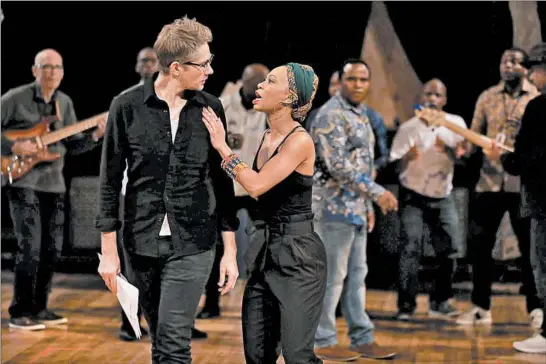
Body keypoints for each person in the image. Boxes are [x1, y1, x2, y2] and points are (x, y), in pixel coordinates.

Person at [95, 17, 239, 364]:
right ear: (176, 67)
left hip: (193, 243)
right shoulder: (126, 106)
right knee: (160, 343)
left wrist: (230, 250)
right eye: (203, 63)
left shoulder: (210, 106)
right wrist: (109, 253)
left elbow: (222, 182)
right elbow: (109, 181)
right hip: (141, 243)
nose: (210, 69)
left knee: (174, 344)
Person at [201, 62, 327, 364]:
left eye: (269, 81)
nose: (259, 86)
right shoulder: (268, 136)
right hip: (264, 252)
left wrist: (222, 148)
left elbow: (256, 186)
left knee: (297, 356)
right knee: (257, 354)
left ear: (288, 97)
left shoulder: (299, 141)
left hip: (299, 258)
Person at [1, 48, 106, 331]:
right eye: (46, 67)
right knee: (30, 247)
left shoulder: (64, 103)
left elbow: (71, 144)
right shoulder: (15, 97)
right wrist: (13, 146)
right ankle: (20, 311)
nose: (52, 72)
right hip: (23, 181)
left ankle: (40, 307)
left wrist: (96, 135)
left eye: (57, 67)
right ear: (34, 70)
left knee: (51, 249)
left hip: (54, 184)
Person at [310, 58, 398, 361]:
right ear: (340, 81)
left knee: (357, 277)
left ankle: (361, 337)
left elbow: (364, 164)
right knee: (332, 278)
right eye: (351, 79)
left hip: (356, 209)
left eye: (363, 79)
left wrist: (368, 204)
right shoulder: (330, 115)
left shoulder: (360, 115)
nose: (358, 85)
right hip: (332, 210)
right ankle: (322, 340)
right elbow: (338, 166)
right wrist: (377, 192)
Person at [457, 48, 542, 329]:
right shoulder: (486, 97)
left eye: (516, 62)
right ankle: (481, 307)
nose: (509, 66)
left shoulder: (536, 98)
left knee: (531, 249)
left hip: (522, 183)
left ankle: (537, 308)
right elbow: (474, 132)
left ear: (527, 69)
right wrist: (466, 148)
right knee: (481, 246)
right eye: (505, 61)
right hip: (489, 181)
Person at [389, 79, 466, 321]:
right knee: (410, 248)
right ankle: (406, 305)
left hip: (443, 195)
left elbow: (465, 161)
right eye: (428, 94)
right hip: (413, 195)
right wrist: (406, 158)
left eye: (437, 95)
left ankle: (440, 301)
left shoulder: (456, 124)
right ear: (421, 98)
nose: (432, 98)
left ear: (444, 100)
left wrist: (453, 152)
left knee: (451, 249)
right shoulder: (408, 128)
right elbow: (392, 166)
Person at [197, 63, 269, 319]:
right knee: (217, 246)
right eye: (256, 85)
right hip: (225, 186)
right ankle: (212, 303)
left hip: (254, 187)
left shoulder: (267, 110)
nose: (259, 90)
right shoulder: (222, 105)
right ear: (243, 83)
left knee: (264, 244)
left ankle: (261, 304)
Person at [501, 42, 546, 354]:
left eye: (535, 69)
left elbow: (525, 158)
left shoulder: (539, 107)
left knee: (542, 265)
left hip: (543, 200)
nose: (531, 76)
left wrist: (504, 158)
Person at [116, 46, 158, 342]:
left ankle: (169, 321)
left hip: (163, 196)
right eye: (144, 60)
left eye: (154, 60)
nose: (150, 65)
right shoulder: (127, 101)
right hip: (129, 194)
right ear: (136, 66)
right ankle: (129, 322)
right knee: (130, 264)